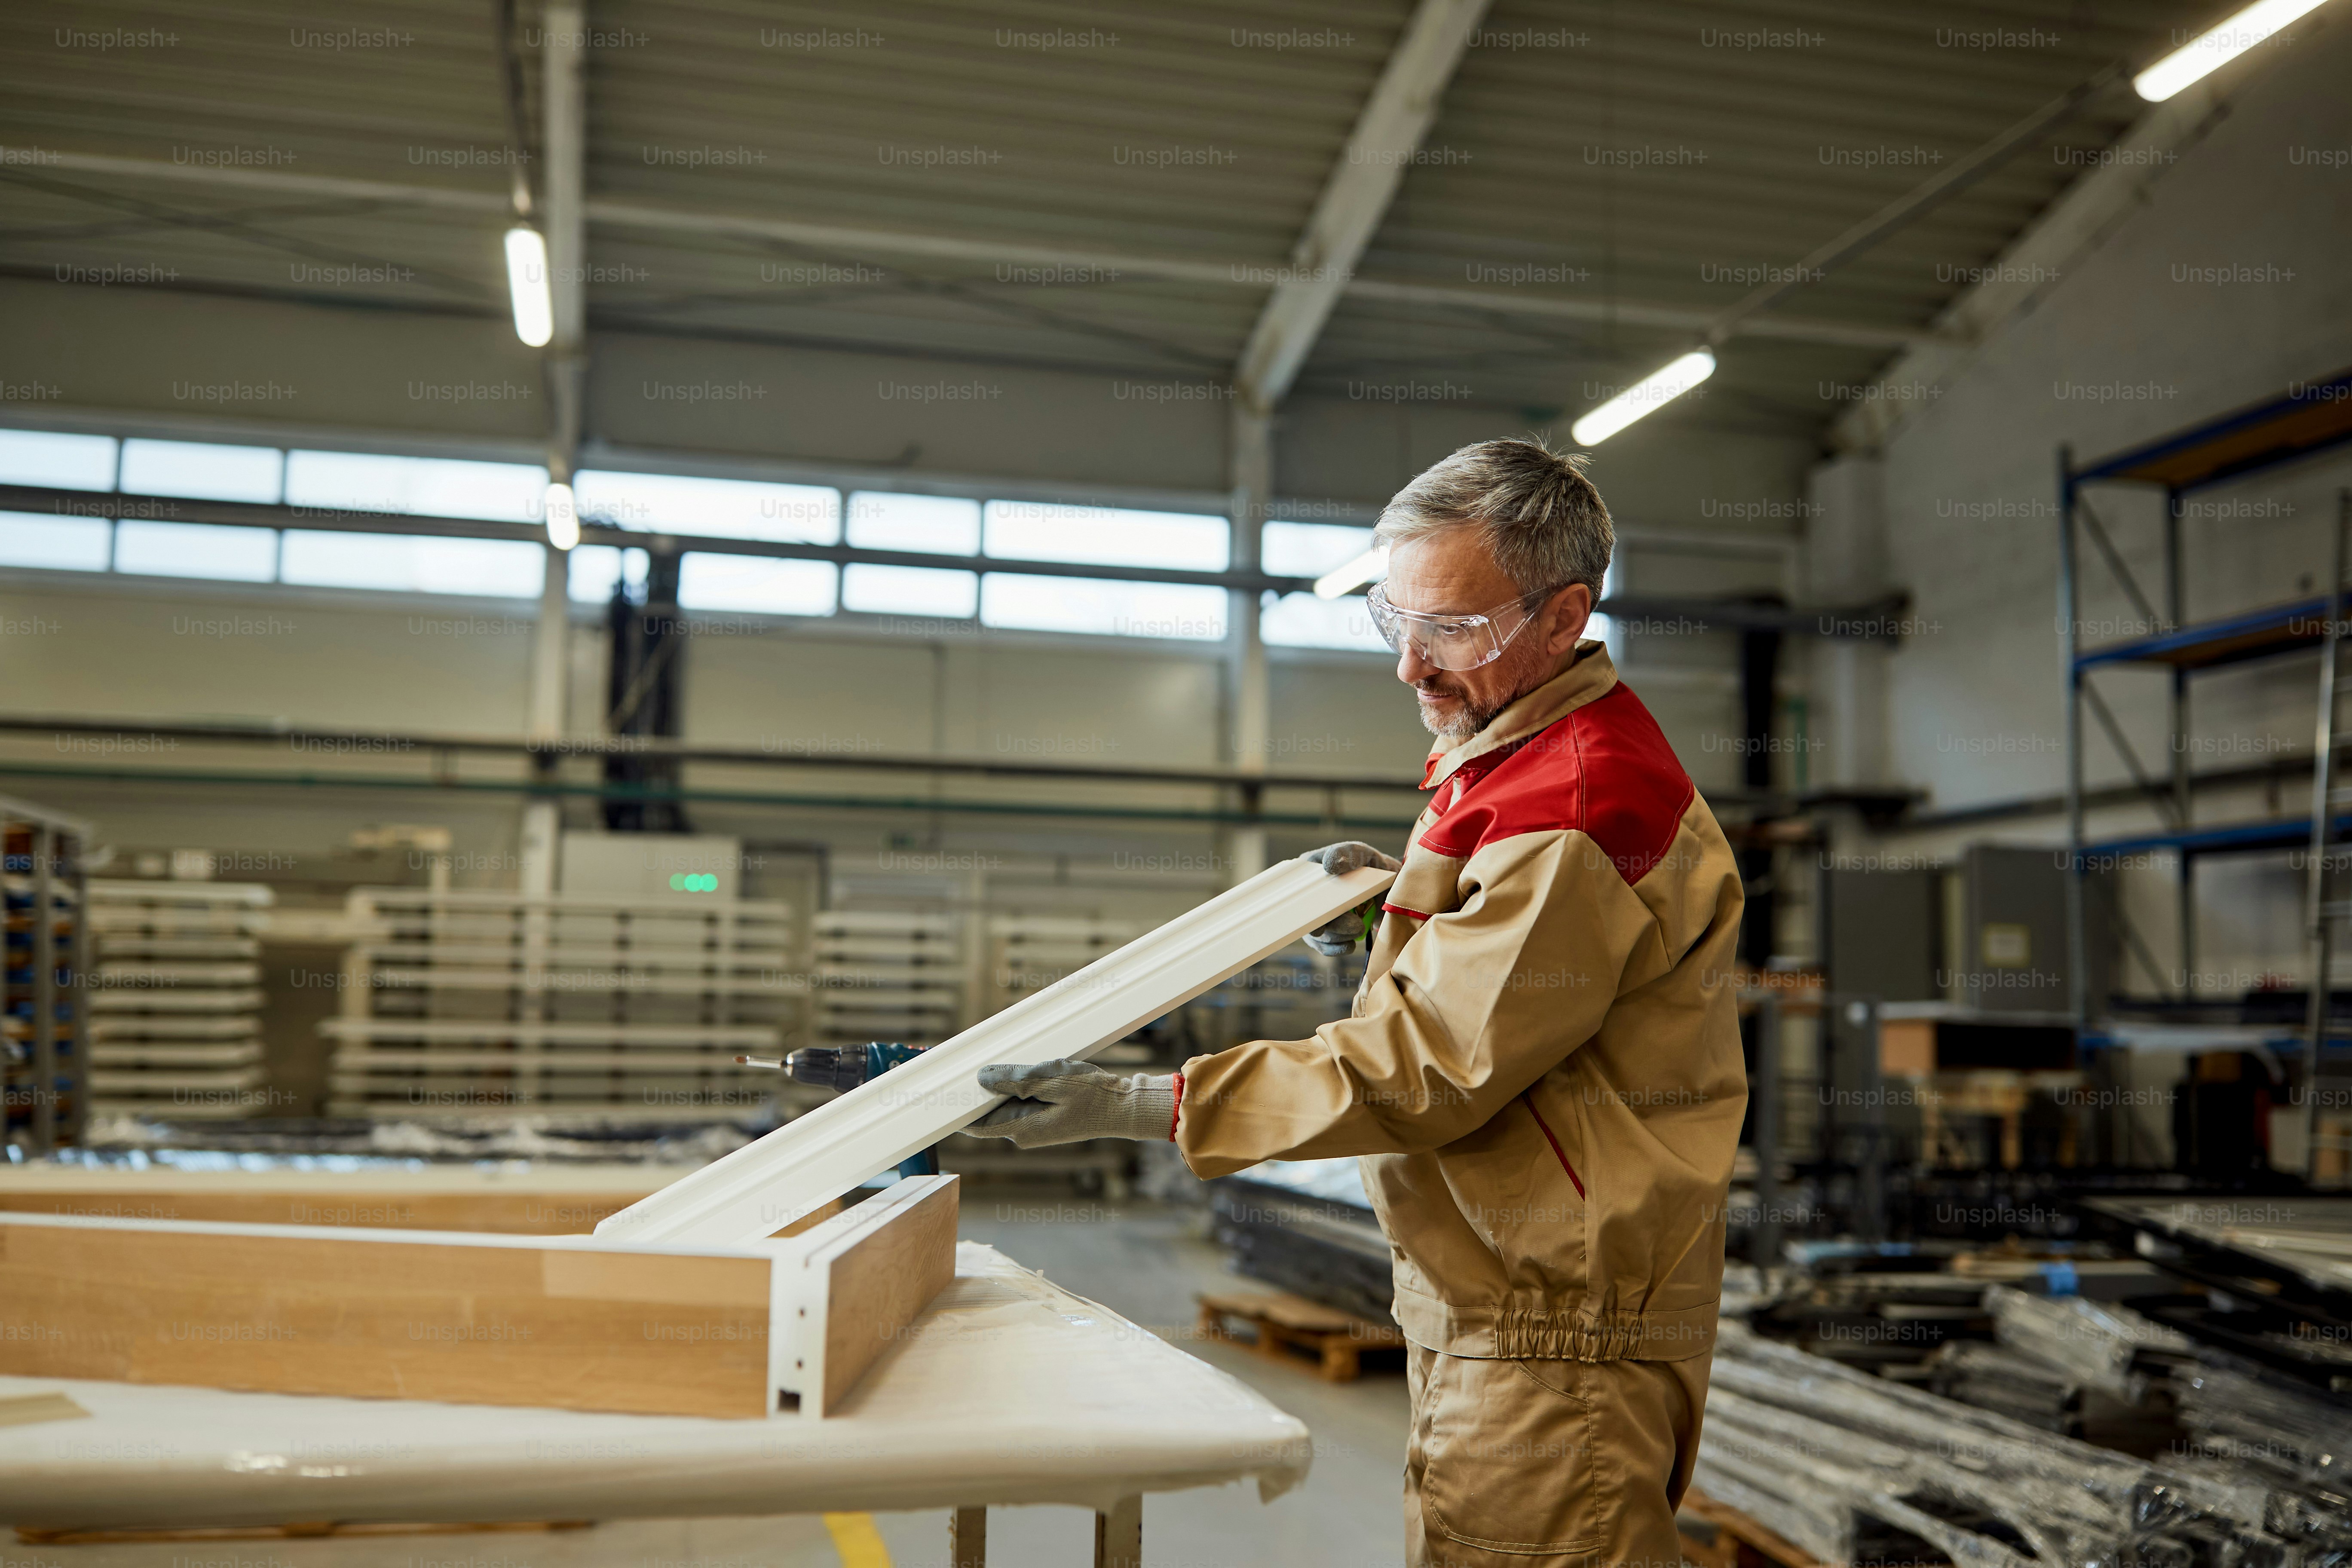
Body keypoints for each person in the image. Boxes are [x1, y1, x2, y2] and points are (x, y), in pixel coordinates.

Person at [965, 438, 1747, 1568]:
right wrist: (1390, 909)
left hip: (1550, 1336)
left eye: (1455, 630)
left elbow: (1427, 1067)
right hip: (1505, 1304)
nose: (1412, 668)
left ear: (1567, 613)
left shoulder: (1574, 801)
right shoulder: (1505, 756)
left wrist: (1146, 1103)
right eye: (1398, 623)